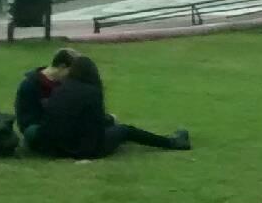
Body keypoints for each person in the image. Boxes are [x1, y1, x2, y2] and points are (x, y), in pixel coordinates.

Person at [32, 56, 190, 159]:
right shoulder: (92, 92)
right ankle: (171, 142)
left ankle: (171, 141)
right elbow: (95, 128)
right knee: (125, 130)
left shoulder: (61, 89)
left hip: (53, 146)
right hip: (81, 148)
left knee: (111, 125)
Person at [15, 47, 78, 150]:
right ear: (62, 67)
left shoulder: (66, 85)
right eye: (71, 72)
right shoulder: (30, 84)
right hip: (39, 126)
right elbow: (26, 120)